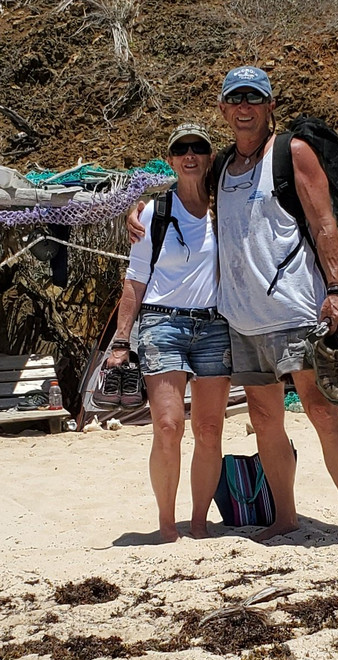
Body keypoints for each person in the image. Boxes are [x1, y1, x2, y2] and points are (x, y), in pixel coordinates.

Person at [130, 67, 338, 549]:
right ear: (223, 110)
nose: (244, 108)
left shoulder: (292, 153)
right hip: (241, 322)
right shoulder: (221, 166)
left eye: (254, 99)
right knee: (265, 421)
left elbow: (325, 224)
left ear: (269, 106)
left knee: (323, 413)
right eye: (235, 99)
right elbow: (185, 188)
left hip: (297, 312)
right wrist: (135, 207)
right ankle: (284, 516)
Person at [106, 123, 231, 542]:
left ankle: (198, 522)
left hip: (216, 326)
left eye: (199, 148)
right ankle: (166, 523)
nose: (190, 155)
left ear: (210, 158)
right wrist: (122, 340)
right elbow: (135, 280)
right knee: (168, 426)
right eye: (182, 149)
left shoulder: (227, 209)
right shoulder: (151, 214)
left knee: (210, 429)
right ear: (171, 160)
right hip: (162, 323)